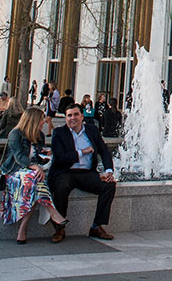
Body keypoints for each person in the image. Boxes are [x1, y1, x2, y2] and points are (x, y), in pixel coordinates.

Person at [0, 107, 69, 243]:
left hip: (31, 174)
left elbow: (37, 157)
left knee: (34, 183)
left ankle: (23, 228)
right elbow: (19, 157)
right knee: (35, 179)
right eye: (41, 119)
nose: (43, 122)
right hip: (14, 172)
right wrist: (36, 166)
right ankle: (53, 212)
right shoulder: (15, 134)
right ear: (33, 120)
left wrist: (46, 155)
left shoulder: (39, 136)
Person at [49, 103, 117, 241]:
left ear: (82, 116)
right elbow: (60, 157)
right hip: (66, 172)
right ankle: (59, 228)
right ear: (65, 118)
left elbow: (104, 150)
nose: (72, 118)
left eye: (75, 114)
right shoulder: (59, 133)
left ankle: (96, 226)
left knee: (109, 186)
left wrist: (109, 171)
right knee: (61, 187)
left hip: (86, 173)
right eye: (69, 115)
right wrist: (82, 152)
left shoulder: (92, 131)